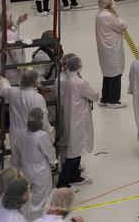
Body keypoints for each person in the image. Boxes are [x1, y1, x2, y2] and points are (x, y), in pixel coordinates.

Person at [56, 54, 98, 189]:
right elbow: (95, 95)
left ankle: (75, 176)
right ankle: (63, 182)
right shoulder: (79, 82)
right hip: (78, 120)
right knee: (74, 152)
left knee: (77, 149)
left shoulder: (68, 79)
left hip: (73, 118)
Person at [0, 69, 46, 163]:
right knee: (30, 161)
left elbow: (4, 89)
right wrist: (48, 132)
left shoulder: (13, 92)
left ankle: (18, 175)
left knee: (17, 160)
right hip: (31, 134)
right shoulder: (38, 98)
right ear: (35, 82)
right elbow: (43, 120)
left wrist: (2, 80)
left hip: (15, 132)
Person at [16, 108, 54, 218]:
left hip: (26, 170)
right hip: (40, 171)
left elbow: (18, 151)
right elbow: (49, 152)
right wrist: (53, 162)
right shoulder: (41, 135)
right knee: (42, 197)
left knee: (28, 196)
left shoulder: (22, 134)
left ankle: (27, 217)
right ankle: (39, 218)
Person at [94, 0, 127, 108]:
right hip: (112, 49)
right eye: (111, 0)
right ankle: (113, 101)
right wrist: (119, 19)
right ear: (107, 3)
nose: (113, 1)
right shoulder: (108, 16)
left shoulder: (99, 14)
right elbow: (122, 26)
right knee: (115, 73)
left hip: (105, 49)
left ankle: (105, 98)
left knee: (108, 73)